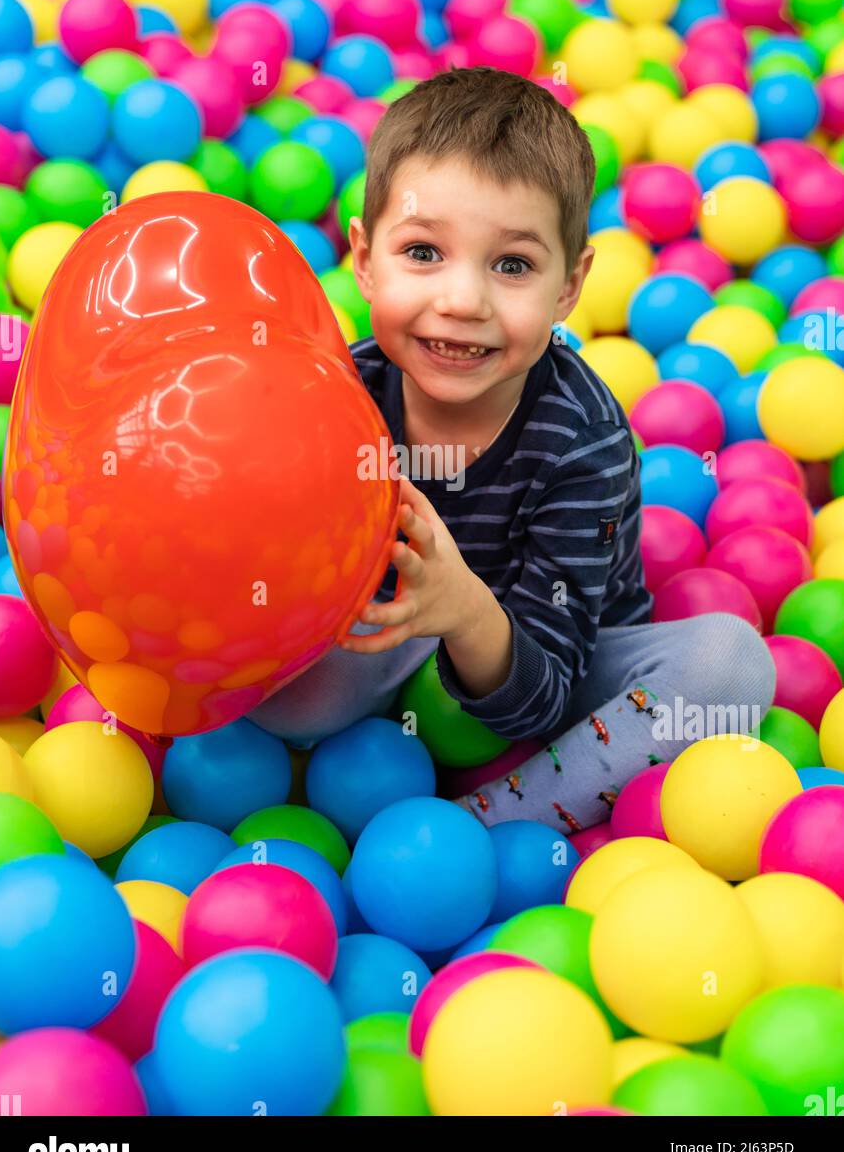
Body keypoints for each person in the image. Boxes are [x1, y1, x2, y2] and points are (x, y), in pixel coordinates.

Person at [246, 66, 776, 834]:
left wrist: (464, 610)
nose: (463, 302)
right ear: (363, 258)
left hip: (550, 664)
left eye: (513, 265)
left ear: (570, 286)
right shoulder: (335, 397)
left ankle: (490, 825)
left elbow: (548, 695)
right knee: (291, 688)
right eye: (423, 252)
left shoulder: (583, 442)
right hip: (389, 637)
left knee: (729, 667)